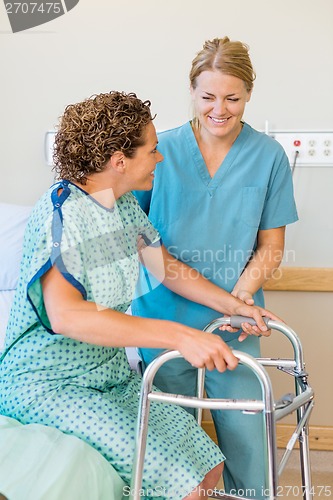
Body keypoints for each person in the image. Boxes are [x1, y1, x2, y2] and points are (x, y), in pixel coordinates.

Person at [0, 91, 278, 500]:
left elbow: (164, 266)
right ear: (119, 161)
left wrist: (234, 306)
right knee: (182, 486)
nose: (160, 159)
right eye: (152, 151)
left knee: (208, 464)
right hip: (50, 384)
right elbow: (66, 316)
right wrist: (180, 336)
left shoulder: (122, 204)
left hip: (109, 378)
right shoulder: (63, 214)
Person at [132, 37, 298, 498]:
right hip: (163, 320)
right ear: (191, 91)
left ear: (248, 95)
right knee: (173, 458)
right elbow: (145, 248)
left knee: (249, 451)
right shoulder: (158, 151)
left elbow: (271, 246)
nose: (219, 109)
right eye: (208, 97)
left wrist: (241, 299)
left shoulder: (268, 156)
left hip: (237, 324)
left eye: (232, 98)